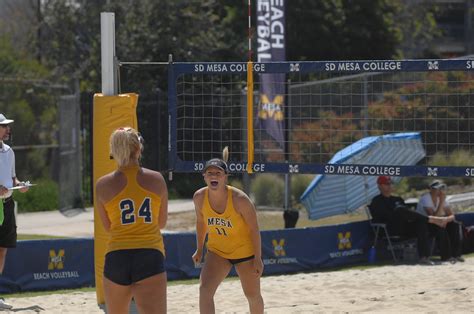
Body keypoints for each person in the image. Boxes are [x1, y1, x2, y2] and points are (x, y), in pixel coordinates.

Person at [96, 127, 168, 314]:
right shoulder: (157, 179)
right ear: (138, 150)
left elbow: (108, 227)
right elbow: (161, 223)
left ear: (113, 152)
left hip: (117, 257)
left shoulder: (102, 185)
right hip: (149, 254)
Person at [192, 147, 264, 314]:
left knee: (252, 295)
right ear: (204, 177)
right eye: (209, 173)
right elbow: (201, 222)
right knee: (205, 290)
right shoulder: (199, 197)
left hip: (244, 253)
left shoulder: (240, 200)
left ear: (225, 177)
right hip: (218, 252)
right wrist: (200, 248)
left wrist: (258, 258)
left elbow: (254, 229)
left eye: (218, 173)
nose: (213, 176)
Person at [369, 176, 453, 265]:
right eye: (387, 184)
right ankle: (431, 219)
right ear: (379, 186)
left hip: (405, 227)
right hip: (390, 229)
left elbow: (408, 215)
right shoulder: (376, 201)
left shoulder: (398, 199)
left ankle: (440, 256)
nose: (390, 186)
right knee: (400, 209)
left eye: (390, 184)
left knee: (430, 224)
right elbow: (383, 217)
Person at [0, 113, 29, 310]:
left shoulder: (9, 151)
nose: (7, 129)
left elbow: (13, 177)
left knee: (2, 250)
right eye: (4, 126)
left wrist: (21, 185)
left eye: (7, 126)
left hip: (7, 204)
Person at [416, 180, 464, 262]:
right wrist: (441, 202)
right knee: (440, 227)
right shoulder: (426, 198)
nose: (438, 191)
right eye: (435, 188)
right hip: (424, 224)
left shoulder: (441, 198)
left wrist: (445, 219)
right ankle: (446, 256)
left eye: (440, 188)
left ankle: (456, 255)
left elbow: (452, 216)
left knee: (454, 225)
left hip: (437, 221)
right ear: (430, 189)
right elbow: (433, 216)